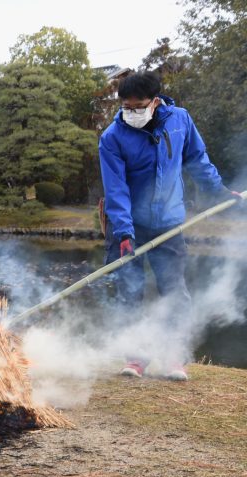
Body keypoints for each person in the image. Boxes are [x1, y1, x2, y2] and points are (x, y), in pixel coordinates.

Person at [99, 71, 240, 382]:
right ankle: (136, 358)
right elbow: (116, 188)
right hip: (127, 225)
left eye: (138, 106)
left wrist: (218, 192)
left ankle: (175, 356)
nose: (131, 112)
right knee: (129, 292)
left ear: (155, 101)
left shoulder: (180, 120)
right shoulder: (112, 137)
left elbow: (197, 160)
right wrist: (123, 232)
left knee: (174, 291)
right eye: (126, 106)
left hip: (168, 223)